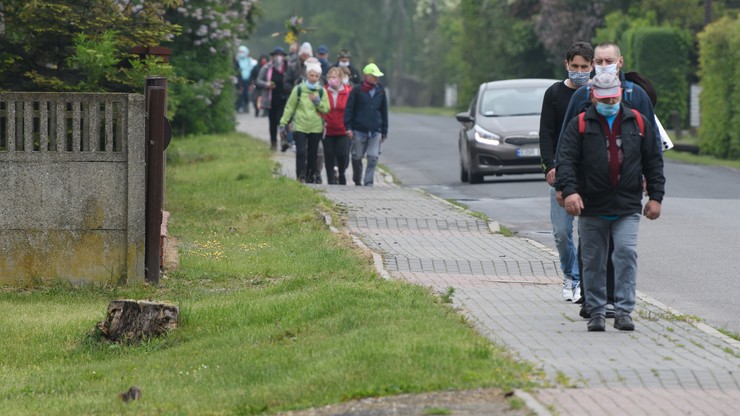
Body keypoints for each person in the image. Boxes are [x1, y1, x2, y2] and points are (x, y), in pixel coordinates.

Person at [557, 41, 660, 319]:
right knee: (591, 250)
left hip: (626, 189)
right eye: (598, 61)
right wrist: (565, 187)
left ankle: (616, 302)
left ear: (620, 62)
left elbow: (652, 146)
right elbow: (565, 145)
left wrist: (652, 185)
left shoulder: (636, 96)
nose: (603, 65)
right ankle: (592, 301)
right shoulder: (582, 96)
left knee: (621, 249)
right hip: (589, 190)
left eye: (607, 60)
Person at [539, 41, 594, 303]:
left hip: (590, 175)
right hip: (561, 172)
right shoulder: (554, 94)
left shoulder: (598, 94)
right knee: (561, 232)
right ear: (566, 65)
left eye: (585, 67)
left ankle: (583, 279)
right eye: (575, 66)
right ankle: (570, 274)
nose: (580, 71)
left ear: (592, 66)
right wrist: (549, 165)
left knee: (588, 232)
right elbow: (546, 133)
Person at [279, 62, 330, 183]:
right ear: (307, 75)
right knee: (301, 152)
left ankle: (310, 177)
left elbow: (327, 109)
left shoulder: (322, 91)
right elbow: (290, 107)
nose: (313, 78)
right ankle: (300, 177)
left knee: (313, 154)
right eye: (311, 75)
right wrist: (283, 123)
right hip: (300, 126)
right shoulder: (299, 90)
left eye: (316, 76)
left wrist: (317, 101)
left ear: (319, 77)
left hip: (315, 127)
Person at [344, 63, 388, 187]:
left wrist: (384, 130)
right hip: (358, 129)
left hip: (375, 130)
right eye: (374, 76)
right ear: (367, 76)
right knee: (357, 157)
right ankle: (357, 179)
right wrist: (348, 127)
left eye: (377, 76)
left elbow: (384, 111)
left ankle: (368, 182)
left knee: (373, 157)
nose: (376, 78)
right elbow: (349, 109)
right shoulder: (357, 90)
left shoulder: (380, 90)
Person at [322, 67, 353, 185]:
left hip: (342, 129)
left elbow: (351, 109)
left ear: (340, 78)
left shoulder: (348, 91)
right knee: (328, 155)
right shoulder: (323, 91)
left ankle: (341, 174)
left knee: (342, 154)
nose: (331, 79)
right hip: (328, 129)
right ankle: (330, 178)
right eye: (329, 77)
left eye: (334, 77)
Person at [256, 47, 290, 151]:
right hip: (271, 99)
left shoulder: (288, 68)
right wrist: (267, 84)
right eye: (276, 55)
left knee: (282, 121)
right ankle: (273, 142)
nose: (279, 58)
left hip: (284, 99)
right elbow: (257, 81)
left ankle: (284, 140)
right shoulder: (267, 68)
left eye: (281, 55)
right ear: (273, 57)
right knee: (273, 122)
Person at [234, 45, 255, 113]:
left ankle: (246, 106)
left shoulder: (250, 61)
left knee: (247, 94)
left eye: (243, 51)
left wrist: (252, 84)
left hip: (248, 81)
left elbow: (253, 74)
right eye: (240, 51)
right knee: (239, 94)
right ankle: (239, 107)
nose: (241, 53)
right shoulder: (236, 61)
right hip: (239, 81)